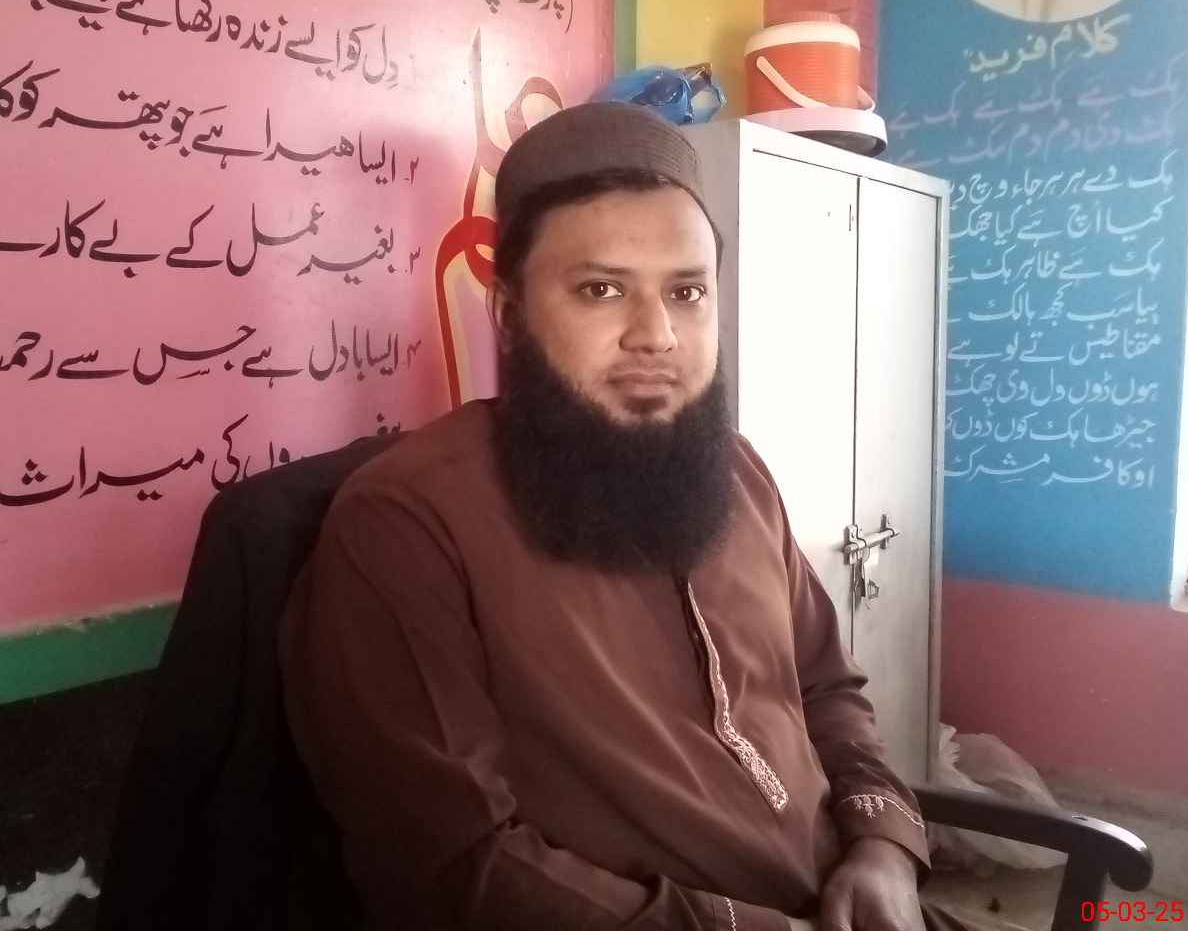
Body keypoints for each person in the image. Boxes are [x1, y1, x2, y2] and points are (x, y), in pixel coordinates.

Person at [280, 102, 960, 931]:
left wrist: (884, 846)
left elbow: (827, 689)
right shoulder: (408, 524)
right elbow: (456, 869)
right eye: (602, 290)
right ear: (509, 315)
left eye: (687, 292)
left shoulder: (738, 473)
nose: (657, 335)